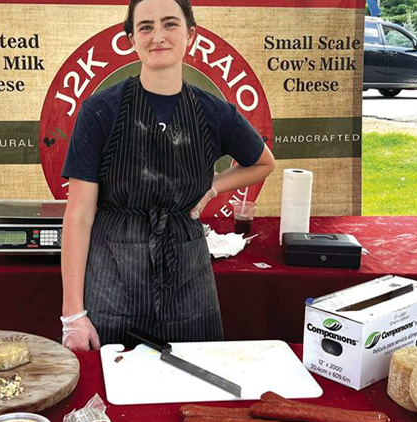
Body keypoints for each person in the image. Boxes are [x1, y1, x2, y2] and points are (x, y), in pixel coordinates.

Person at [60, 0, 275, 351]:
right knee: (111, 389)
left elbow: (264, 162)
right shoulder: (100, 110)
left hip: (189, 281)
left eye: (170, 24)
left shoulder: (213, 111)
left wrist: (213, 187)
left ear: (191, 34)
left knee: (194, 386)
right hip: (113, 279)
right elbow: (79, 214)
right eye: (145, 27)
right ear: (131, 38)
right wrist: (73, 315)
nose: (157, 35)